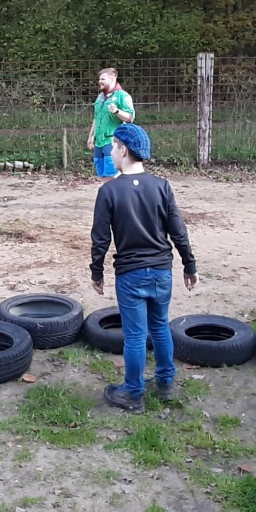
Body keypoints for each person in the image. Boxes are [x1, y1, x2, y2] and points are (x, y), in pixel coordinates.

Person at [89, 122, 197, 413]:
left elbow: (100, 237)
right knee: (160, 327)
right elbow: (178, 230)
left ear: (124, 150)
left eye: (113, 147)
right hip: (162, 271)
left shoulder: (109, 191)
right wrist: (189, 264)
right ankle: (165, 384)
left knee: (135, 335)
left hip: (130, 274)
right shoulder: (162, 186)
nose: (110, 152)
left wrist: (96, 271)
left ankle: (133, 393)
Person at [87, 68, 135, 179]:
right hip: (99, 142)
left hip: (112, 142)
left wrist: (117, 111)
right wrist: (91, 136)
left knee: (112, 173)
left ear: (112, 79)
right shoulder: (100, 97)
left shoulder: (122, 96)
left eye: (103, 79)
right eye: (99, 79)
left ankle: (118, 195)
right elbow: (96, 118)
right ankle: (108, 195)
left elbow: (130, 118)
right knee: (101, 173)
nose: (100, 81)